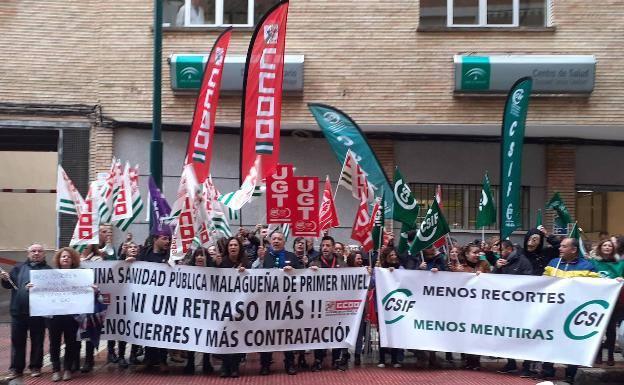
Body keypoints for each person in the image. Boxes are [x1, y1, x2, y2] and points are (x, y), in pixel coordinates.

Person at [539, 237, 600, 382]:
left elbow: (598, 286)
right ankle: (547, 369)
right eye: (560, 246)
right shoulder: (553, 263)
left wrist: (614, 283)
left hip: (575, 312)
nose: (559, 249)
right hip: (554, 310)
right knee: (550, 339)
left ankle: (571, 372)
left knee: (572, 342)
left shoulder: (587, 266)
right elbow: (542, 283)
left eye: (564, 246)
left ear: (574, 250)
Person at [1, 244, 51, 384]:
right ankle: (16, 369)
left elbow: (52, 290)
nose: (36, 253)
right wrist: (5, 279)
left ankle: (35, 367)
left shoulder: (48, 270)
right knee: (17, 342)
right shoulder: (18, 268)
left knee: (38, 341)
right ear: (28, 253)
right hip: (18, 312)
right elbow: (9, 285)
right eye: (33, 251)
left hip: (38, 313)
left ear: (44, 254)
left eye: (39, 251)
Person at [260, 231, 302, 375]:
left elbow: (303, 276)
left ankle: (289, 363)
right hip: (268, 304)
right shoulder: (264, 257)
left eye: (279, 239)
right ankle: (265, 364)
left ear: (284, 242)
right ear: (270, 241)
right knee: (267, 335)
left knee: (288, 334)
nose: (276, 241)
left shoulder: (292, 257)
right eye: (274, 239)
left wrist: (294, 271)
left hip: (288, 303)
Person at [493, 240, 534, 376]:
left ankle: (527, 365)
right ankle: (511, 363)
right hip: (505, 306)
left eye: (501, 250)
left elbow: (529, 282)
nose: (498, 252)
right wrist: (496, 268)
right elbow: (491, 282)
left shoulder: (523, 261)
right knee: (506, 334)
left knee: (524, 336)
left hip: (521, 307)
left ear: (509, 249)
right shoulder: (501, 262)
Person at [309, 236, 348, 372]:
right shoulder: (314, 262)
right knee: (319, 333)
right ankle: (318, 359)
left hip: (336, 303)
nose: (325, 248)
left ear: (333, 248)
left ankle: (336, 359)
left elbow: (350, 279)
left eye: (328, 245)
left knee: (336, 331)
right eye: (323, 245)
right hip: (319, 305)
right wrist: (310, 271)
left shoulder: (341, 263)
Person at [137, 232, 171, 372]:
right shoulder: (145, 254)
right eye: (164, 238)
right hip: (147, 300)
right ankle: (149, 359)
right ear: (155, 239)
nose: (167, 241)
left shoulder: (169, 256)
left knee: (162, 331)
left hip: (164, 300)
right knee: (148, 330)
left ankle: (163, 361)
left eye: (168, 239)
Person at [47, 248, 82, 382]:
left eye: (68, 257)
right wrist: (34, 287)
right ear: (58, 259)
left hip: (71, 316)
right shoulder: (50, 275)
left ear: (73, 259)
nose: (66, 259)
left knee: (71, 343)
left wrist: (91, 289)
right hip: (54, 316)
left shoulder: (80, 275)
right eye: (63, 257)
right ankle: (56, 370)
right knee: (54, 343)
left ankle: (67, 369)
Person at [589, 238, 624, 366]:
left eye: (610, 245)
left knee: (610, 330)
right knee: (597, 329)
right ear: (600, 247)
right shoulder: (593, 263)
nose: (607, 247)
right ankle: (597, 355)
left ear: (613, 249)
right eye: (605, 245)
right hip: (597, 301)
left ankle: (610, 355)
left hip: (614, 302)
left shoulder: (621, 264)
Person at [181, 248, 215, 375]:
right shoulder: (186, 272)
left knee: (206, 336)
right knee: (191, 337)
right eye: (198, 255)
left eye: (203, 255)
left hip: (208, 310)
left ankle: (206, 361)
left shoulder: (214, 272)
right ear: (194, 257)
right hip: (191, 310)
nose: (200, 257)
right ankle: (190, 362)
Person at [377, 247, 404, 368]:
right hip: (382, 306)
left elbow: (406, 281)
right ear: (386, 256)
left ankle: (395, 359)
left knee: (397, 332)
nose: (394, 257)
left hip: (397, 307)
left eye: (395, 255)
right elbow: (373, 283)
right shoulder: (380, 269)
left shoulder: (401, 268)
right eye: (391, 255)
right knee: (382, 333)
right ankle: (382, 359)